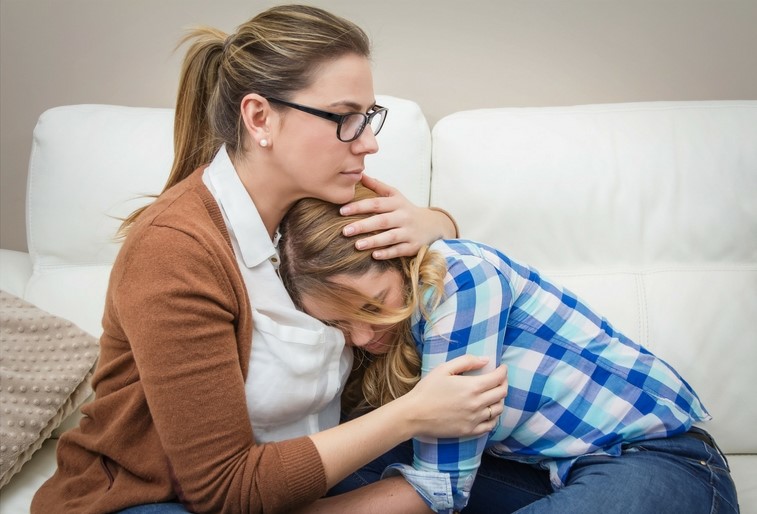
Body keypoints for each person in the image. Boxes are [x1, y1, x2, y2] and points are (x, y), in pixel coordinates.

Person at [31, 6, 508, 514]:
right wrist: (412, 416)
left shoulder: (329, 200)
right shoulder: (174, 253)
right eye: (345, 117)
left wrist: (434, 223)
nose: (368, 142)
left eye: (368, 116)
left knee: (570, 482)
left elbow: (432, 252)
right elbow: (224, 491)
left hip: (295, 474)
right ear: (260, 117)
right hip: (149, 499)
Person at [277, 184, 741, 514]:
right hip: (538, 471)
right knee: (339, 457)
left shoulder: (460, 280)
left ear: (404, 262)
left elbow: (441, 488)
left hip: (656, 460)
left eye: (374, 305)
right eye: (336, 322)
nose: (360, 338)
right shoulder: (375, 329)